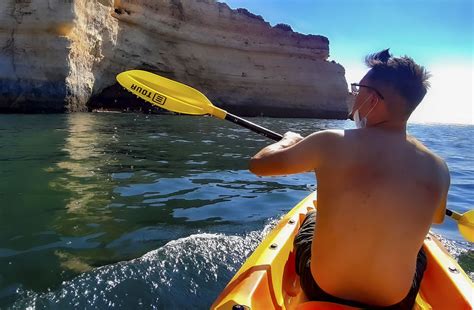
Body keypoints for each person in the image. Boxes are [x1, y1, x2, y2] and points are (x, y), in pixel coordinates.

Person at [249, 49, 450, 309]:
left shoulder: (330, 142)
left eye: (359, 88)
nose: (354, 94)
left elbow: (259, 165)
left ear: (374, 99)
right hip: (395, 301)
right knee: (421, 249)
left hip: (323, 288)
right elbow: (436, 218)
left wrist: (288, 141)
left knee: (311, 217)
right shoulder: (438, 167)